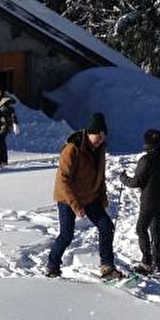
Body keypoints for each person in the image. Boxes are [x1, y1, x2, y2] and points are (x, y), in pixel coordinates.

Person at [45, 112, 123, 280]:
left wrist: (102, 197)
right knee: (66, 235)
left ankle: (107, 267)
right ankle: (52, 267)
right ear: (89, 133)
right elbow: (63, 180)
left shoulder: (100, 148)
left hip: (90, 197)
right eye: (98, 136)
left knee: (106, 226)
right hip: (67, 198)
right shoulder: (72, 149)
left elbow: (100, 175)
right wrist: (76, 205)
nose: (101, 140)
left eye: (103, 137)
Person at [118, 128, 160, 275]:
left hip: (149, 200)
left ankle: (146, 262)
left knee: (141, 228)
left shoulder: (146, 159)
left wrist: (123, 178)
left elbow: (137, 182)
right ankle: (157, 263)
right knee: (156, 230)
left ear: (147, 143)